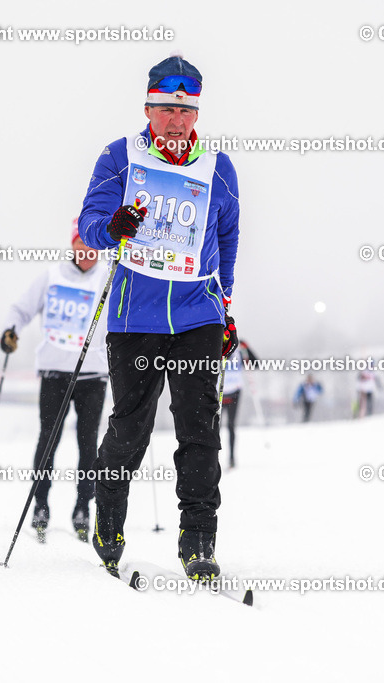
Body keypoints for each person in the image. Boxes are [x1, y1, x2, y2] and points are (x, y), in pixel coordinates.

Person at [78, 54, 240, 580]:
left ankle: (198, 542)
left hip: (198, 315)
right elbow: (92, 222)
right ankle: (109, 525)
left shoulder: (219, 167)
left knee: (199, 431)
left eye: (186, 110)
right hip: (135, 316)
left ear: (197, 113)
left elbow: (227, 238)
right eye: (167, 108)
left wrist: (226, 306)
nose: (177, 120)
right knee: (131, 430)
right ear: (149, 107)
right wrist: (113, 226)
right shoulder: (119, 157)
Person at [0, 220, 110, 543]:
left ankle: (82, 507)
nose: (87, 253)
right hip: (54, 373)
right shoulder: (52, 276)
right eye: (81, 246)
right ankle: (41, 505)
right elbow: (21, 309)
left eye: (92, 248)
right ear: (73, 245)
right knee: (49, 439)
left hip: (92, 375)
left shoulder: (108, 277)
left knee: (88, 443)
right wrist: (10, 331)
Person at [221, 340, 257, 469]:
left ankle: (231, 458)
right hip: (218, 392)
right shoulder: (216, 346)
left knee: (231, 426)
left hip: (234, 392)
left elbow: (255, 364)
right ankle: (213, 458)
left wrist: (248, 349)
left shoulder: (239, 351)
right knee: (214, 427)